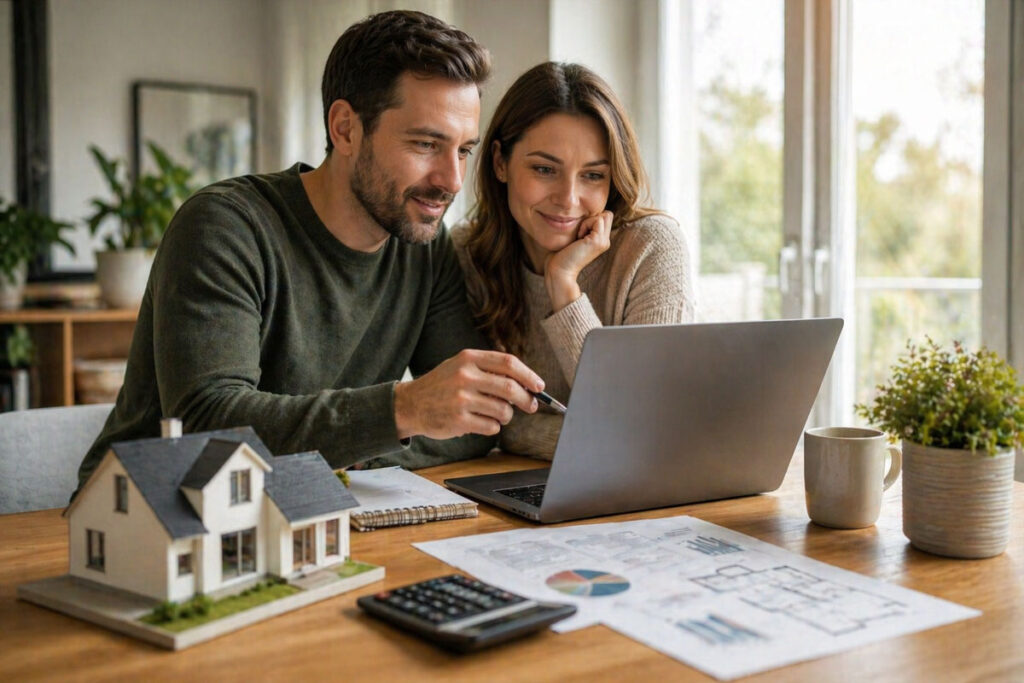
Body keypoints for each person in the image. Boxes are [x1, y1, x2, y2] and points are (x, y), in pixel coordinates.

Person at [75, 10, 547, 492]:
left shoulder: (422, 243)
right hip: (154, 515)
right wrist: (403, 411)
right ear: (345, 128)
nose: (451, 180)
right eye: (426, 144)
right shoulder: (225, 226)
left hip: (309, 506)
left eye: (464, 150)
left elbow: (473, 420)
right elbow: (209, 425)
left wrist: (362, 443)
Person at [454, 62, 696, 459]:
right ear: (500, 162)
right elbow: (478, 420)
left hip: (640, 497)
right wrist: (583, 438)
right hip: (513, 486)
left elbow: (641, 432)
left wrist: (563, 283)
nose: (568, 198)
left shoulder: (651, 248)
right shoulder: (469, 253)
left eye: (593, 176)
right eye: (545, 169)